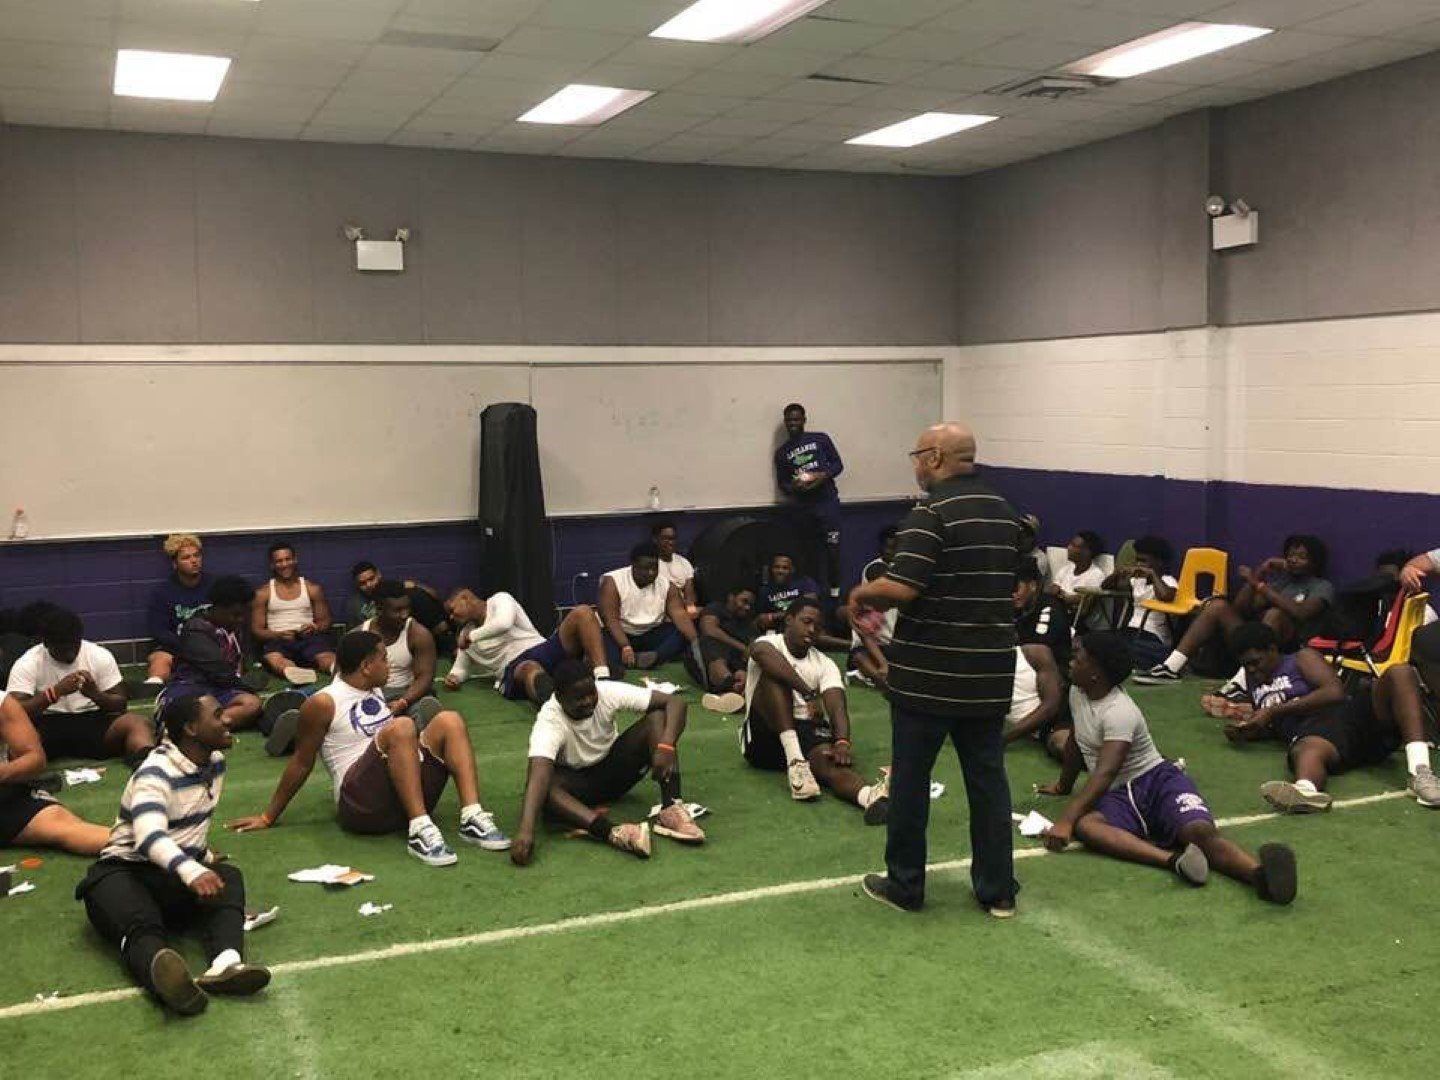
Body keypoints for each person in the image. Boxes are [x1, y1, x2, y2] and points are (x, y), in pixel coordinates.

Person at [851, 422, 1019, 918]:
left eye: (917, 455)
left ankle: (906, 886)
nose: (915, 465)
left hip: (929, 674)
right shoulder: (1003, 509)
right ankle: (998, 890)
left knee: (910, 779)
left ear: (937, 458)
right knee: (988, 781)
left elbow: (903, 588)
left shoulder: (930, 511)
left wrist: (862, 593)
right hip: (989, 672)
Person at [1039, 632, 1297, 905]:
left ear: (1096, 673)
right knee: (1089, 826)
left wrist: (1065, 820)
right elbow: (1077, 743)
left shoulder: (1120, 712)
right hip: (1118, 795)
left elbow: (1105, 771)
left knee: (1198, 832)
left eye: (1078, 657)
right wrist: (1063, 785)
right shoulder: (1078, 693)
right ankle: (1175, 862)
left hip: (1157, 780)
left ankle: (1260, 877)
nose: (1071, 660)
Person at [228, 630, 509, 864]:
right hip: (361, 805)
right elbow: (302, 761)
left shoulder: (374, 688)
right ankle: (420, 829)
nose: (391, 666)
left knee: (449, 720)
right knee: (401, 727)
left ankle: (472, 816)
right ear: (365, 666)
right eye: (384, 660)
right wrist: (268, 816)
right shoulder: (324, 702)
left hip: (398, 795)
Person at [75, 694, 270, 1016]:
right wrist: (192, 870)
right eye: (218, 715)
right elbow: (149, 836)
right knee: (141, 923)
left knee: (229, 877)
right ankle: (167, 980)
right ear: (192, 728)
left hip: (168, 878)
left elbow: (188, 819)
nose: (228, 720)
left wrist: (201, 856)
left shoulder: (215, 762)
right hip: (124, 872)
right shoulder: (154, 773)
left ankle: (226, 965)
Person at [1222, 623, 1440, 811]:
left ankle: (1420, 772)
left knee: (1400, 672)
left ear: (1272, 649)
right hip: (1317, 737)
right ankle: (1305, 792)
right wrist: (1250, 729)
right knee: (1307, 748)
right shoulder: (1254, 682)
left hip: (1349, 717)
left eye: (1255, 662)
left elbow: (1335, 692)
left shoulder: (1300, 658)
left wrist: (1273, 711)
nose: (1251, 670)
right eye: (1245, 665)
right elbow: (1276, 726)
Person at [510, 660, 704, 866]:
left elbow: (675, 703)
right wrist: (525, 831)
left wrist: (666, 746)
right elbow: (538, 772)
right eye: (579, 698)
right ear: (559, 697)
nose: (588, 701)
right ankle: (612, 832)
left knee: (657, 718)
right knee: (545, 787)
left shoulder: (607, 692)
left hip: (614, 772)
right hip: (577, 789)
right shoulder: (549, 720)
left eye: (591, 693)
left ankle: (671, 808)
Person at [740, 599, 889, 822]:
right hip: (764, 738)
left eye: (817, 627)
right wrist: (809, 694)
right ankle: (796, 762)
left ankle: (869, 797)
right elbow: (758, 653)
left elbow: (836, 704)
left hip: (805, 729)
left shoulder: (824, 663)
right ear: (789, 620)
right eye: (806, 622)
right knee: (775, 677)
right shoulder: (768, 643)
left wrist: (841, 742)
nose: (811, 630)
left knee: (828, 760)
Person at [1136, 534, 1335, 684]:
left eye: (1301, 557)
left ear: (1315, 562)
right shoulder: (1280, 582)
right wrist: (1260, 574)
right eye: (1291, 555)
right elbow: (1241, 608)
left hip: (1286, 649)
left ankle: (1242, 683)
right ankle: (1171, 667)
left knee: (1275, 614)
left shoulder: (1322, 586)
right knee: (1218, 605)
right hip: (1252, 638)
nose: (1293, 560)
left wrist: (1260, 586)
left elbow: (1301, 613)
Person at [4, 605, 153, 766]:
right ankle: (19, 780)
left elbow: (120, 705)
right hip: (48, 723)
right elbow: (14, 711)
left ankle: (147, 763)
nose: (70, 654)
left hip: (93, 720)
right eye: (62, 649)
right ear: (46, 644)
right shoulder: (28, 662)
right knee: (15, 739)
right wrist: (54, 693)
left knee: (137, 723)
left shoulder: (98, 655)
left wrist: (95, 694)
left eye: (74, 646)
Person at [443, 588, 612, 704]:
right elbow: (461, 668)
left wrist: (472, 637)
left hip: (541, 649)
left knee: (582, 612)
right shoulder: (465, 636)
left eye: (452, 609)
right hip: (514, 669)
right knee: (528, 667)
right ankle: (555, 704)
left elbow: (503, 623)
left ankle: (603, 679)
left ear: (465, 597)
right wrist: (454, 678)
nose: (451, 617)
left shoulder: (500, 600)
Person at [0, 693, 110, 854]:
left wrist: (3, 772)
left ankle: (154, 845)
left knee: (68, 829)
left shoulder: (2, 703)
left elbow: (34, 758)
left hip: (5, 796)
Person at [160, 576, 263, 731]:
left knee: (251, 704)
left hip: (217, 691)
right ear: (218, 608)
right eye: (235, 614)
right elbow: (221, 672)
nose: (241, 620)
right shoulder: (196, 629)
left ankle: (202, 729)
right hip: (188, 691)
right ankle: (192, 730)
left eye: (243, 614)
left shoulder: (233, 629)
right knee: (206, 709)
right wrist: (250, 686)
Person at [774, 403, 845, 601]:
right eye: (789, 420)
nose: (793, 424)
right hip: (804, 511)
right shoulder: (782, 453)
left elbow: (838, 465)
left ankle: (835, 595)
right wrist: (795, 487)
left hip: (827, 506)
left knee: (833, 551)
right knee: (810, 556)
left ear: (804, 419)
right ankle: (813, 597)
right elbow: (783, 484)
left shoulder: (820, 439)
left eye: (796, 419)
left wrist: (821, 477)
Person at [598, 543, 700, 671]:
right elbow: (610, 619)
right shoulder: (613, 581)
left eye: (654, 568)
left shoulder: (668, 585)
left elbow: (680, 616)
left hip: (650, 634)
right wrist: (625, 645)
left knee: (682, 633)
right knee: (603, 645)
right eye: (645, 568)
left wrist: (697, 643)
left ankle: (653, 658)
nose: (651, 573)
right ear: (633, 566)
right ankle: (630, 659)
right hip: (619, 634)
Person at [250, 541, 336, 685]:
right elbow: (257, 630)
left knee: (328, 659)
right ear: (272, 565)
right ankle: (298, 676)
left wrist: (314, 627)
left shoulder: (312, 588)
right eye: (279, 561)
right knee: (276, 660)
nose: (284, 564)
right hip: (278, 640)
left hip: (309, 638)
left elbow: (325, 621)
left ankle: (341, 675)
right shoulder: (263, 593)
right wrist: (277, 634)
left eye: (287, 559)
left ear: (295, 560)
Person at [361, 579, 441, 720]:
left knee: (422, 709)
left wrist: (403, 702)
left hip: (408, 693)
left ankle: (421, 723)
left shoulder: (418, 634)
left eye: (407, 608)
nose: (405, 615)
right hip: (372, 693)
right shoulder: (360, 635)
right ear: (379, 609)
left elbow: (425, 676)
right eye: (397, 610)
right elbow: (344, 677)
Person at [143, 533, 212, 690]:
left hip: (210, 644)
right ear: (175, 563)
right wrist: (185, 645)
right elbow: (158, 630)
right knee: (160, 659)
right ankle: (154, 685)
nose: (194, 561)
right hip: (177, 646)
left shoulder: (215, 586)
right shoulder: (162, 592)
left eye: (196, 555)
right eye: (186, 558)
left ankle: (236, 678)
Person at [1103, 536, 1179, 670]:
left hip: (1153, 636)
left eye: (1143, 561)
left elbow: (1166, 596)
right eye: (1137, 560)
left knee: (1126, 649)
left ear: (1159, 563)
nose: (1139, 564)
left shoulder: (1168, 581)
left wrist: (1152, 574)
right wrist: (1118, 573)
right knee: (1105, 642)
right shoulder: (1137, 581)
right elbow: (1106, 586)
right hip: (1131, 631)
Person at [347, 562, 455, 654]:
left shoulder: (399, 590)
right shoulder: (356, 605)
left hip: (412, 635)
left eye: (371, 578)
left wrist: (416, 586)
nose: (369, 584)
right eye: (363, 583)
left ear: (379, 575)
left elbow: (433, 596)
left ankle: (448, 644)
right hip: (381, 644)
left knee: (417, 597)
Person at [688, 582, 758, 714]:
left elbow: (753, 647)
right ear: (731, 597)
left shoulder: (748, 621)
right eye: (744, 601)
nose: (747, 607)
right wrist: (743, 648)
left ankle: (735, 691)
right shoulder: (715, 608)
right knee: (710, 642)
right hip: (707, 661)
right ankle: (730, 686)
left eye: (750, 604)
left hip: (735, 664)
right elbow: (708, 629)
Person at [846, 527, 899, 690]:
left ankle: (868, 676)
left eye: (895, 548)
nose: (891, 552)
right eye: (888, 547)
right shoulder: (872, 570)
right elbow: (865, 633)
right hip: (874, 647)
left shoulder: (905, 573)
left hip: (895, 646)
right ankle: (880, 680)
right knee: (859, 657)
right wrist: (883, 665)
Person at [1002, 643, 1070, 761]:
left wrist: (1004, 739)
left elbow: (1051, 706)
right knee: (1060, 747)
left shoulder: (1034, 654)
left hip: (1061, 718)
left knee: (1067, 747)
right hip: (1044, 733)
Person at [1014, 560, 1072, 669]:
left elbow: (1039, 651)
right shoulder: (1017, 608)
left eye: (1016, 588)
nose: (1013, 594)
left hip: (1053, 674)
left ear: (1032, 586)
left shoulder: (1050, 609)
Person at [755, 552, 821, 632]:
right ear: (771, 569)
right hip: (778, 631)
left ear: (792, 570)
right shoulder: (765, 590)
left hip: (804, 628)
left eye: (785, 568)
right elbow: (762, 618)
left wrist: (775, 616)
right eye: (777, 567)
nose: (780, 571)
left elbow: (809, 607)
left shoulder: (805, 583)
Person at [1047, 530, 1106, 611]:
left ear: (1087, 552)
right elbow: (1053, 589)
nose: (1069, 548)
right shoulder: (1065, 569)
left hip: (1074, 617)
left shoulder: (1096, 575)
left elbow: (1085, 600)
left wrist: (1063, 596)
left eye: (1074, 546)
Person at [651, 521, 698, 618]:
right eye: (665, 539)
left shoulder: (684, 562)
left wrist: (691, 610)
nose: (670, 542)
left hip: (683, 609)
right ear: (655, 540)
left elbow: (689, 593)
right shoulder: (650, 563)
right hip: (661, 610)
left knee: (707, 612)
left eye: (672, 538)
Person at [1017, 513, 1051, 591]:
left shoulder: (1040, 559)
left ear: (1033, 538)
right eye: (1019, 534)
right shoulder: (1014, 553)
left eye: (1026, 535)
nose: (1021, 538)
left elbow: (1033, 588)